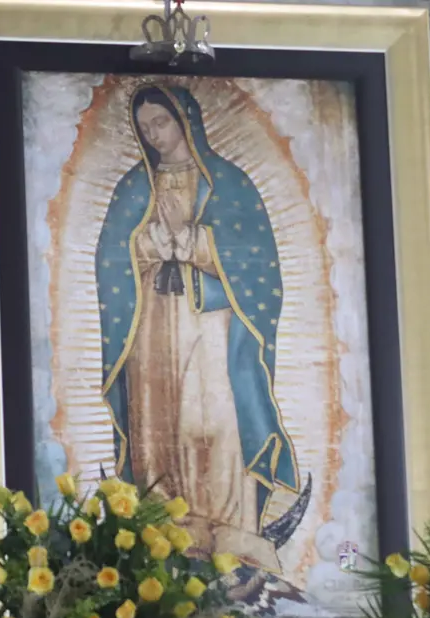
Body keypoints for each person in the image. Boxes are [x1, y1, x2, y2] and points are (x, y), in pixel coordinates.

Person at [93, 83, 298, 571]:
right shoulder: (134, 187)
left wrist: (192, 240)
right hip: (152, 324)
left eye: (161, 122)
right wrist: (151, 243)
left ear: (185, 120)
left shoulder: (227, 183)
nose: (154, 135)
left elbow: (257, 265)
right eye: (144, 128)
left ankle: (229, 528)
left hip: (211, 324)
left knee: (214, 420)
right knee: (157, 419)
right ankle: (164, 525)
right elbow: (111, 257)